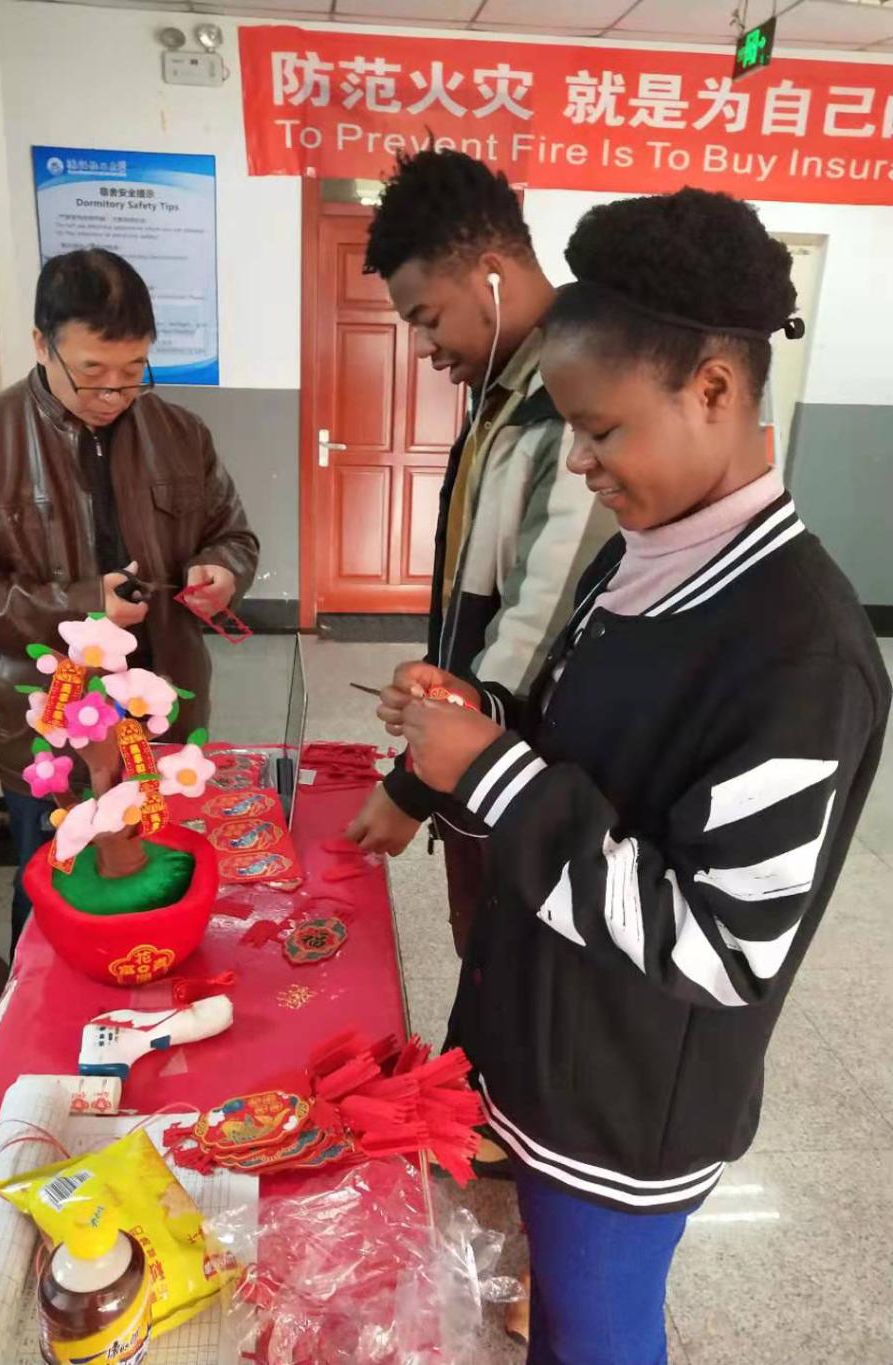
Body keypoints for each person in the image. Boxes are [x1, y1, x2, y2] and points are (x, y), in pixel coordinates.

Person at [377, 188, 890, 1364]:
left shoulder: (797, 649)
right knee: (544, 1326)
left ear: (711, 389)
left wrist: (492, 776)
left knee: (593, 1339)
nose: (582, 463)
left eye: (601, 431)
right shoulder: (643, 559)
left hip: (623, 1111)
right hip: (546, 1046)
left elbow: (725, 946)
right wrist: (481, 717)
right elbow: (591, 750)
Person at [0, 248, 258, 951]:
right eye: (93, 372)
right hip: (50, 730)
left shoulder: (181, 434)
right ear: (41, 345)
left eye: (134, 372)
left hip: (164, 709)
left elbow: (233, 534)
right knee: (55, 885)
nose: (114, 394)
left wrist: (221, 570)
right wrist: (79, 604)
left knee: (158, 867)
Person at [345, 148, 564, 961]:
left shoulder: (571, 400)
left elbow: (537, 628)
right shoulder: (500, 391)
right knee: (483, 962)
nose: (425, 347)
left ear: (491, 273)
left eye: (429, 317)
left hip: (527, 770)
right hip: (478, 750)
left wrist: (414, 784)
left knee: (513, 974)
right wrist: (439, 688)